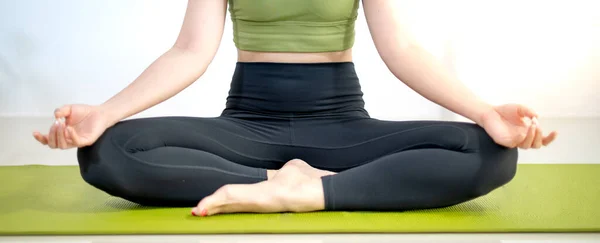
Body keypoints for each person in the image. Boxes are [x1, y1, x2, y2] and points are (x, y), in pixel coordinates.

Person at [33, 0, 557, 217]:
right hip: (245, 124)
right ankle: (274, 181)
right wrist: (105, 112)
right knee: (110, 150)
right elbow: (189, 52)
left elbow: (403, 51)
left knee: (490, 153)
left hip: (342, 124)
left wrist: (485, 112)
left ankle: (312, 189)